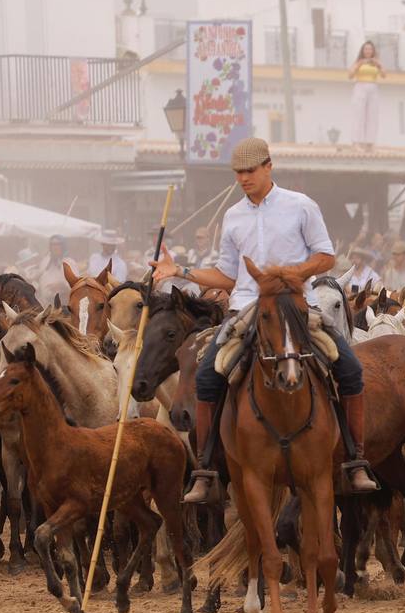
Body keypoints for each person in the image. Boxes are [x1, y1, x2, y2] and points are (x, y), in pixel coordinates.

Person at [152, 137, 377, 499]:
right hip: (246, 308)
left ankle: (355, 460)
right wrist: (180, 270)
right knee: (207, 375)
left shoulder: (301, 206)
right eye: (238, 173)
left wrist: (291, 274)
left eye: (250, 171)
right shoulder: (233, 216)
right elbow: (228, 275)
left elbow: (326, 257)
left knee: (350, 368)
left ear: (268, 167)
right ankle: (207, 471)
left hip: (297, 305)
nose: (243, 178)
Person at [348, 40, 383, 150]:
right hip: (360, 87)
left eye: (370, 49)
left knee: (372, 115)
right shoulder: (358, 62)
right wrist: (358, 65)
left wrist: (379, 65)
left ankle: (370, 142)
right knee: (359, 115)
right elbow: (350, 75)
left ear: (373, 51)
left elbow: (384, 75)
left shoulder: (376, 63)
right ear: (363, 51)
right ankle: (356, 142)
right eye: (366, 49)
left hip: (373, 88)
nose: (368, 51)